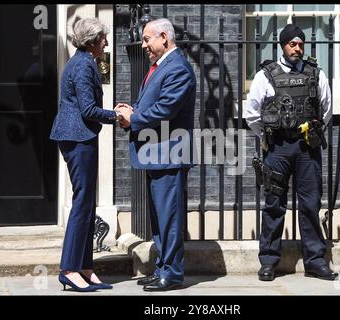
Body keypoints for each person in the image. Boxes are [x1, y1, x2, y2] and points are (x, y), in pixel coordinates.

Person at [246, 24, 338, 281]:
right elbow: (252, 113)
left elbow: (326, 109)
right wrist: (267, 137)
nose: (297, 49)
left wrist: (313, 132)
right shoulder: (266, 75)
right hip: (277, 149)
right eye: (292, 44)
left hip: (307, 147)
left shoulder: (315, 74)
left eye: (300, 44)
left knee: (310, 205)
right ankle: (268, 262)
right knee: (274, 206)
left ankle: (315, 261)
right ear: (283, 45)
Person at [117, 18, 196, 291]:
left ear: (164, 37)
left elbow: (165, 109)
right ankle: (163, 267)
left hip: (170, 154)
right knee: (160, 219)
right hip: (157, 154)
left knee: (170, 219)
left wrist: (133, 118)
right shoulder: (160, 67)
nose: (144, 45)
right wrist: (132, 109)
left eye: (147, 39)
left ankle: (172, 274)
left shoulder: (178, 69)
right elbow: (153, 102)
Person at [50, 18, 125, 292]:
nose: (106, 41)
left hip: (79, 136)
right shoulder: (82, 65)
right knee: (82, 203)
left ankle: (84, 267)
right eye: (103, 38)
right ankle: (70, 269)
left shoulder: (85, 62)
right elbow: (89, 110)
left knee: (87, 203)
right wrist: (117, 116)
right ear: (92, 41)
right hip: (77, 137)